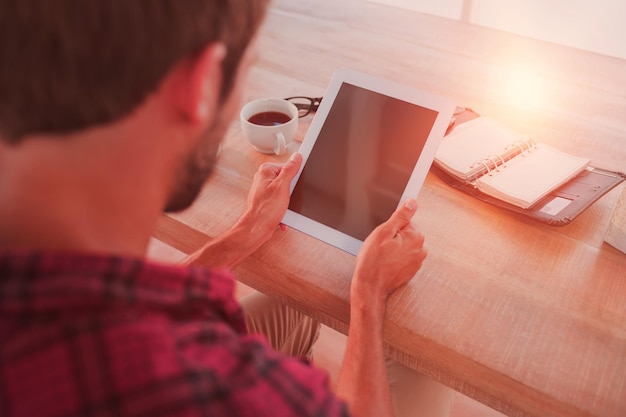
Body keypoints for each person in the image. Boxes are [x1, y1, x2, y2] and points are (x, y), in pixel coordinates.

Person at [0, 1, 453, 416]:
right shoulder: (213, 388)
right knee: (423, 366)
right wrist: (368, 293)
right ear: (200, 85)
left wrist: (247, 230)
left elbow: (127, 302)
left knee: (290, 302)